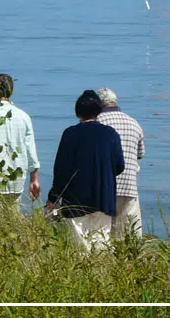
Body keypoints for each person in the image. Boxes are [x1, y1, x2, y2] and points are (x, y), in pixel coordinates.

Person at [46, 90, 125, 251]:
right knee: (102, 245)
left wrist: (53, 197)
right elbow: (119, 165)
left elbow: (61, 169)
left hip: (76, 199)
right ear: (99, 111)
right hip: (103, 197)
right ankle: (102, 274)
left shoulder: (70, 134)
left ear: (78, 112)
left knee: (80, 247)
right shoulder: (110, 134)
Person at [0, 74, 40, 210]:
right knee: (11, 222)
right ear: (11, 91)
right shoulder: (23, 116)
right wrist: (34, 179)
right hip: (16, 179)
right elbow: (31, 149)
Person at [96, 87, 145, 239]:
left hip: (103, 187)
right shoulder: (133, 123)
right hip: (129, 186)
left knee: (102, 235)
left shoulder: (97, 122)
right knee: (129, 234)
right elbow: (140, 154)